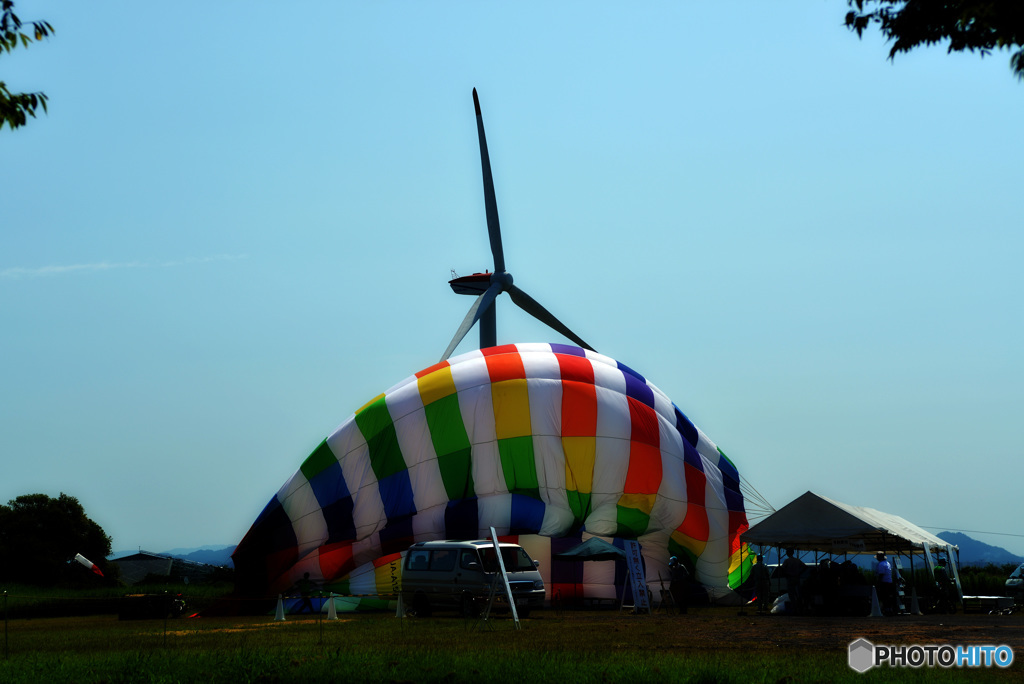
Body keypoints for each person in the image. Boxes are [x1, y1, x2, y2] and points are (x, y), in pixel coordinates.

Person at [781, 549, 807, 614]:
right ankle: (799, 607)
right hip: (796, 578)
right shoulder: (797, 560)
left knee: (791, 594)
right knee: (798, 593)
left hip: (790, 578)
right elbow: (805, 567)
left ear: (787, 553)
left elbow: (782, 569)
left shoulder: (787, 561)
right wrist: (799, 573)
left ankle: (794, 608)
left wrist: (786, 574)